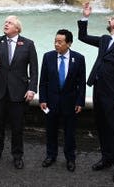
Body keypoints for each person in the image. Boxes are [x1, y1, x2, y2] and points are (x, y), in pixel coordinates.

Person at [77, 2, 114, 184]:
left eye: (111, 19)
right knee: (101, 126)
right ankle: (106, 158)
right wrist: (85, 17)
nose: (109, 20)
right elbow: (82, 36)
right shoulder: (104, 39)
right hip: (98, 89)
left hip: (113, 93)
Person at [0, 15, 38, 169]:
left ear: (17, 28)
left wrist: (32, 89)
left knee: (17, 127)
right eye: (5, 22)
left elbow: (35, 70)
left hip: (18, 93)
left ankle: (17, 155)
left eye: (9, 23)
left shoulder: (28, 44)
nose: (6, 24)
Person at [39, 29, 86, 172]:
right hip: (51, 102)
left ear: (69, 43)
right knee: (51, 131)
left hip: (70, 103)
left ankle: (70, 159)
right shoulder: (48, 57)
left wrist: (80, 102)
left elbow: (81, 83)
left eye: (60, 42)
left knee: (70, 133)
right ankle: (50, 155)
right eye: (55, 41)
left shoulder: (79, 58)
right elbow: (43, 81)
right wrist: (42, 99)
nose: (56, 44)